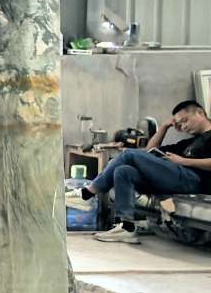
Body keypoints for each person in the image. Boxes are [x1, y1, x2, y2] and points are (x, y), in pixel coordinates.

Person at [83, 98, 211, 242]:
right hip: (178, 178)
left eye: (185, 120)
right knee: (123, 171)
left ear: (200, 113)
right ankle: (126, 227)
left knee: (128, 154)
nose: (183, 127)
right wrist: (164, 127)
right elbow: (149, 150)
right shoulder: (190, 142)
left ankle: (88, 193)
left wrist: (183, 161)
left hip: (195, 181)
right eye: (179, 124)